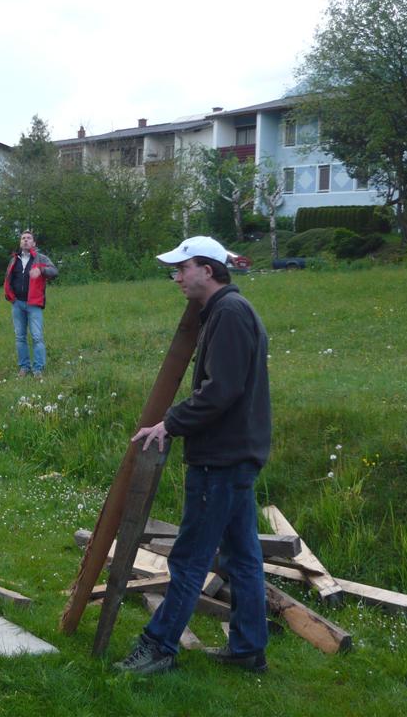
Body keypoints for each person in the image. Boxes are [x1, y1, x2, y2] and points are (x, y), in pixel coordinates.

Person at [116, 235, 271, 675]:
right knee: (242, 556)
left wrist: (170, 423)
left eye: (182, 268)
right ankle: (248, 649)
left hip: (220, 460)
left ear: (208, 269)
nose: (177, 277)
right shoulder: (225, 311)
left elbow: (221, 390)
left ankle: (158, 647)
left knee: (189, 558)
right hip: (234, 454)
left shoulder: (230, 313)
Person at [3, 230, 58, 377]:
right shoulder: (14, 260)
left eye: (28, 238)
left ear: (34, 243)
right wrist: (11, 297)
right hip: (17, 304)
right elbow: (8, 279)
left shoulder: (41, 258)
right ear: (20, 242)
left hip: (34, 304)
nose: (25, 240)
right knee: (20, 337)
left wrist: (41, 270)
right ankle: (24, 367)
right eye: (23, 238)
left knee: (37, 337)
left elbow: (54, 272)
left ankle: (38, 369)